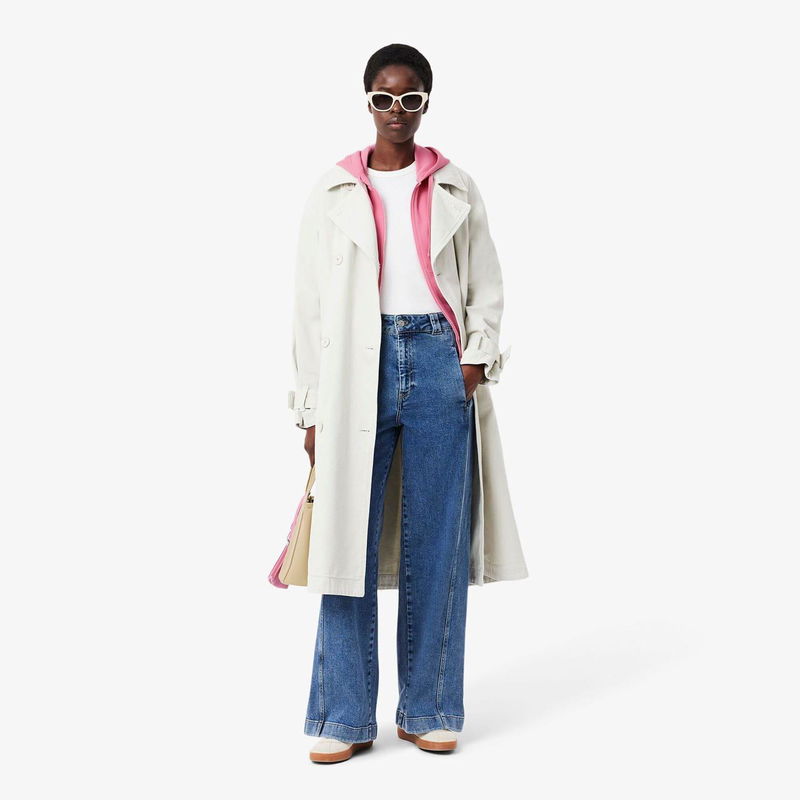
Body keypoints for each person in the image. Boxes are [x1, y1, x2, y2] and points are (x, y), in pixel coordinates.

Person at [288, 43, 528, 764]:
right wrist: (311, 408)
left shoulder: (455, 184)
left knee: (438, 541)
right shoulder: (334, 190)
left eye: (411, 98)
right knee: (343, 544)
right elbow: (309, 304)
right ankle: (344, 714)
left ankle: (430, 708)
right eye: (384, 98)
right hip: (352, 369)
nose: (397, 110)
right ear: (368, 101)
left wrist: (472, 361)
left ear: (426, 102)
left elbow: (485, 281)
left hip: (436, 359)